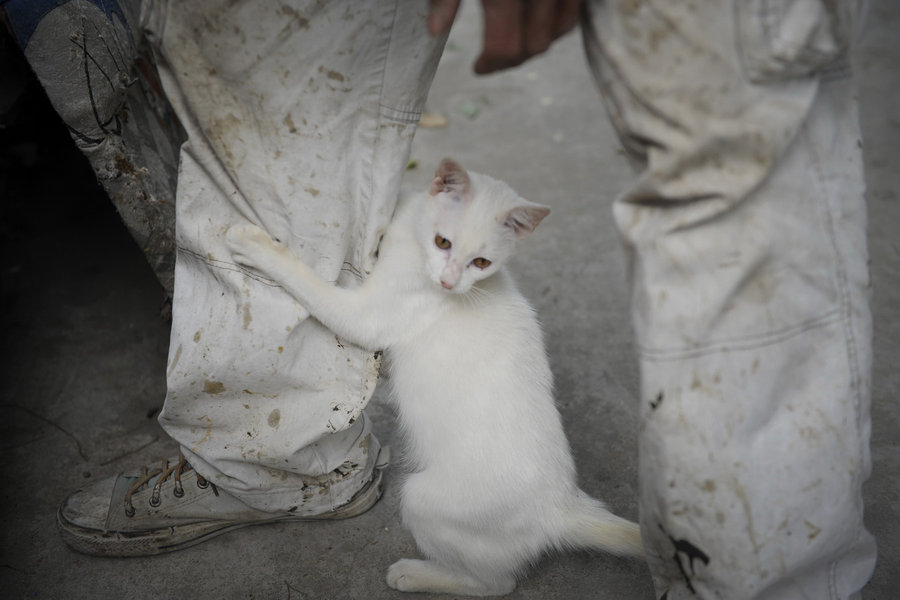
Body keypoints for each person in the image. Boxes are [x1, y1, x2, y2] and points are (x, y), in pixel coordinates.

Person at [56, 1, 875, 598]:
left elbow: (358, 319)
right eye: (447, 248)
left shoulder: (448, 256)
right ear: (438, 192)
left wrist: (268, 255)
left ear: (511, 241)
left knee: (424, 499)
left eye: (479, 262)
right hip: (527, 485)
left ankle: (484, 580)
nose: (452, 276)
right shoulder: (437, 229)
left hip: (495, 493)